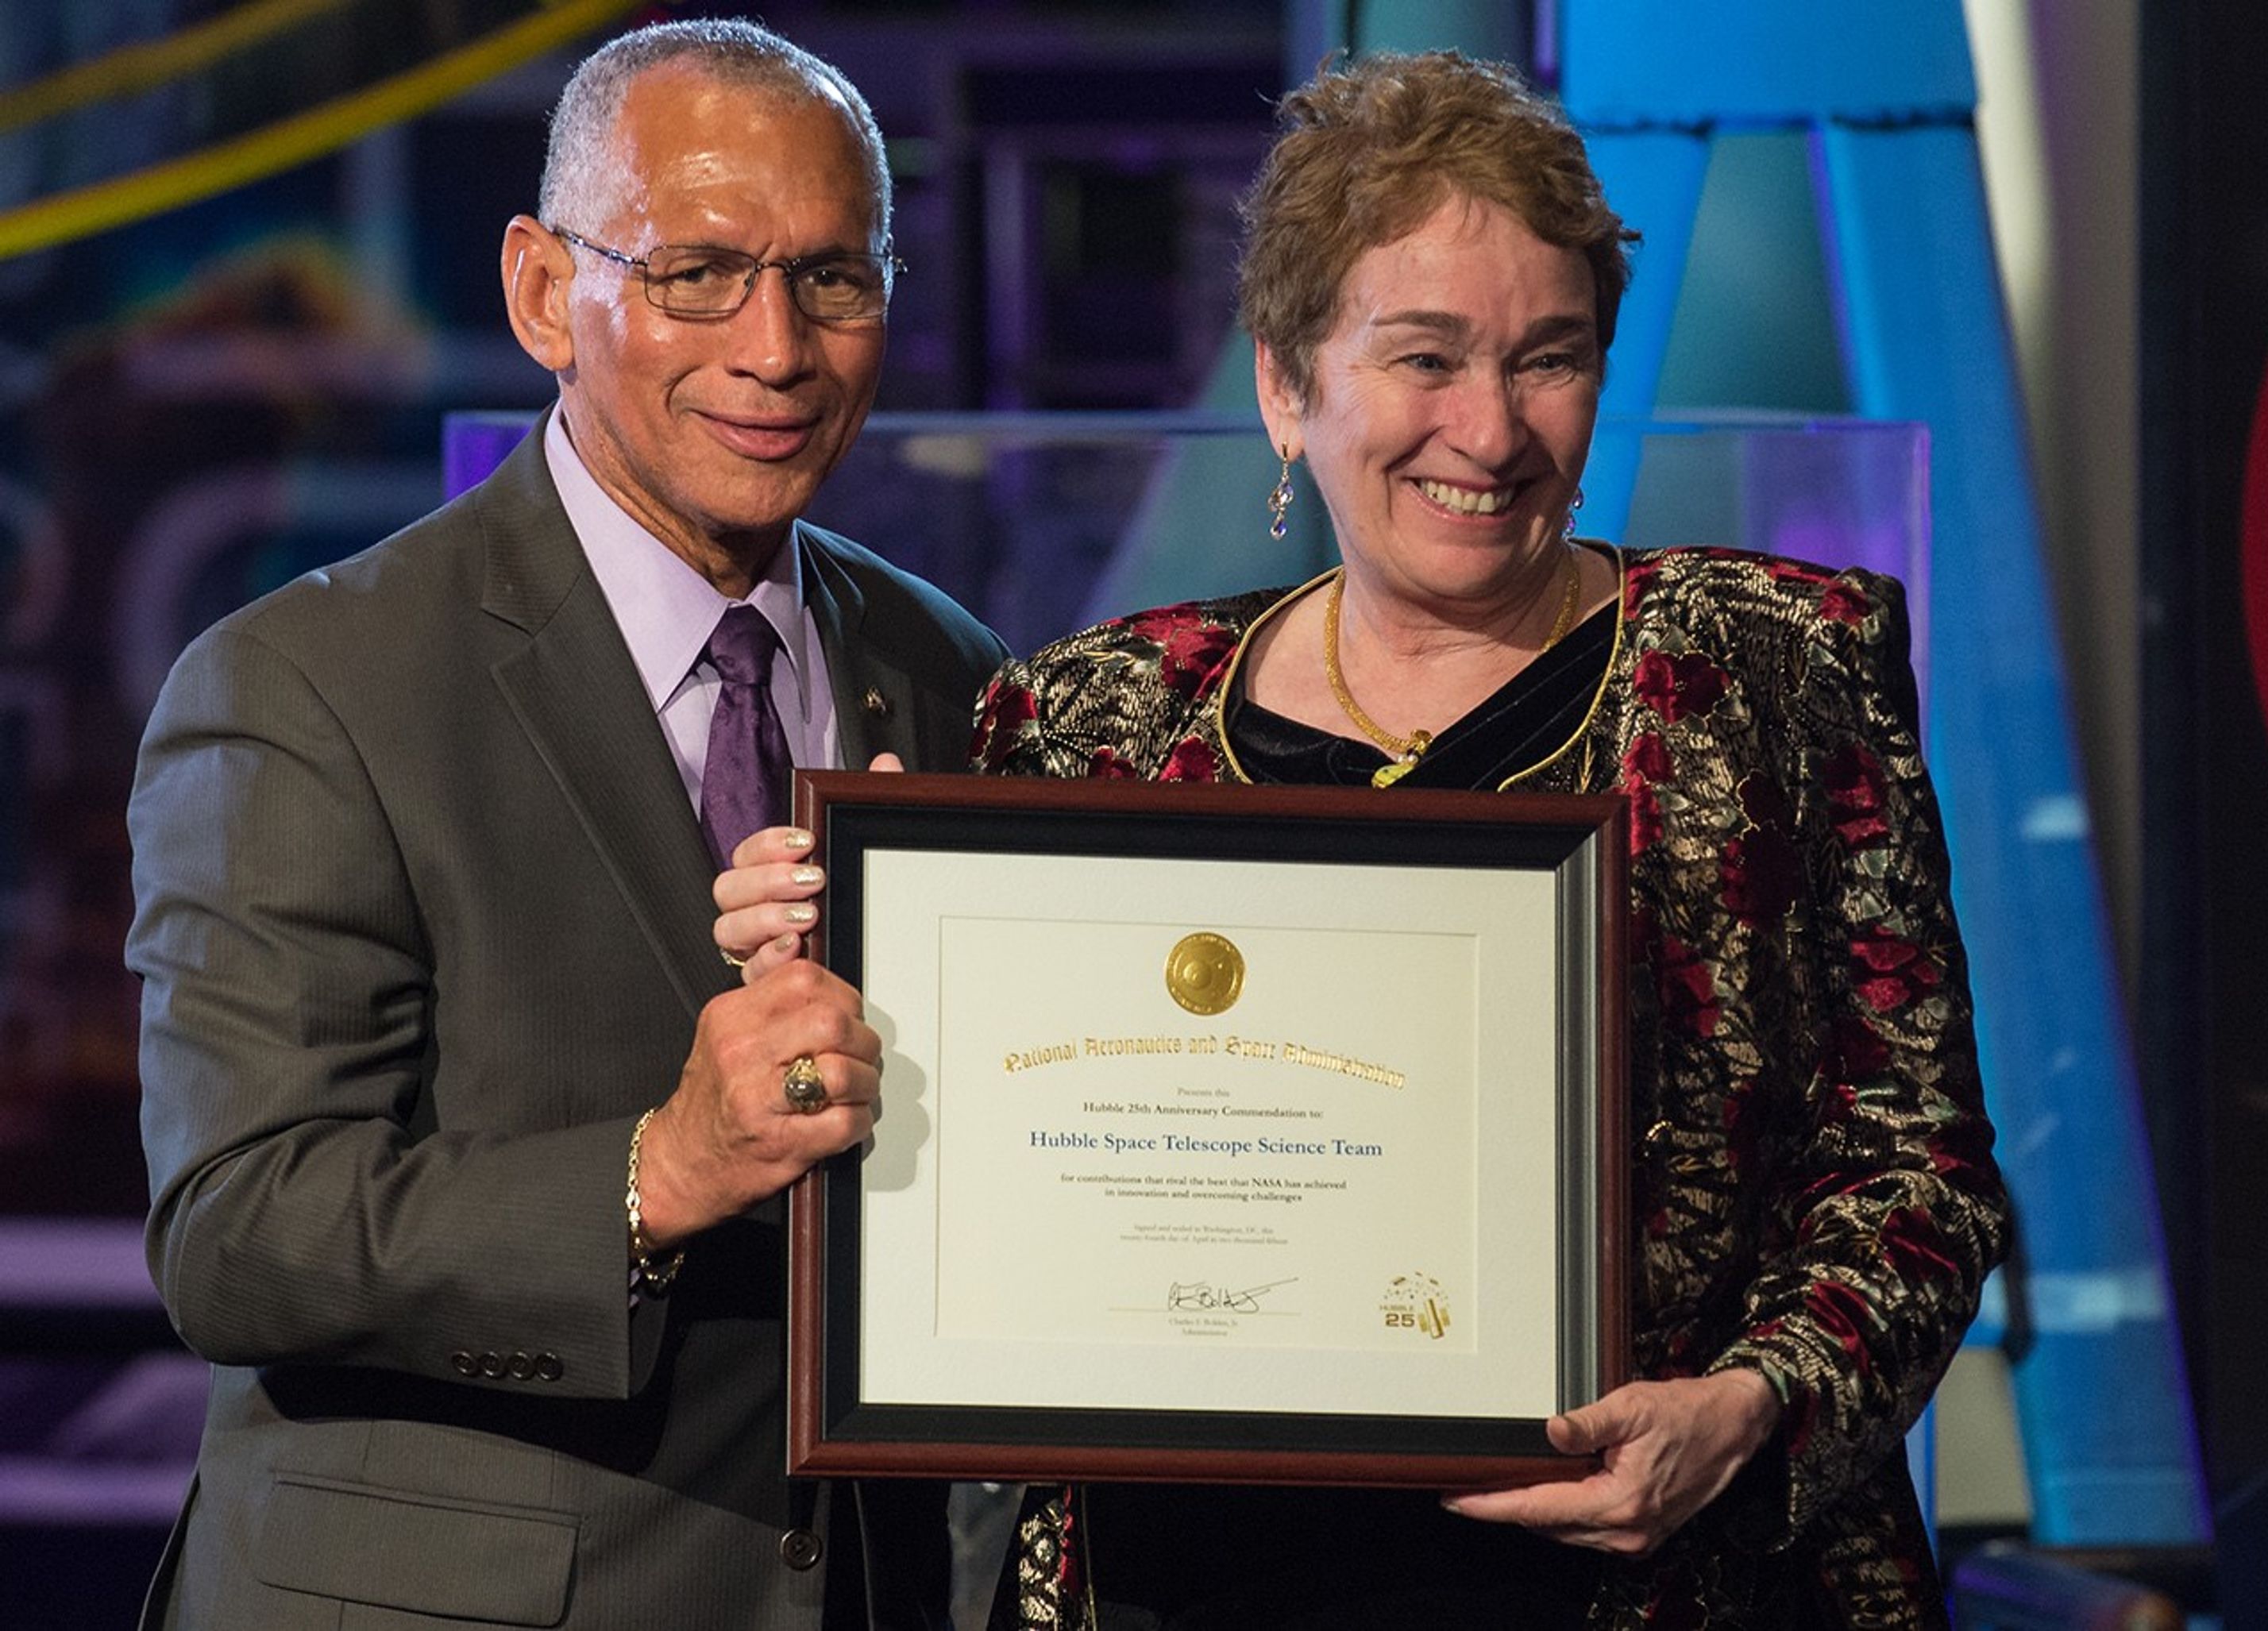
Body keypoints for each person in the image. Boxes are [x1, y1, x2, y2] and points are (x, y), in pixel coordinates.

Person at [960, 51, 2009, 1629]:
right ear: (1282, 382)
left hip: (1664, 1579)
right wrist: (851, 999)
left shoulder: (1779, 664)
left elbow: (1916, 1169)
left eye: (1549, 357)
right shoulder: (1087, 715)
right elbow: (994, 1175)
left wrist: (1745, 1405)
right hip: (1190, 1586)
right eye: (1423, 357)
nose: (1490, 428)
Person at [127, 19, 1004, 1629]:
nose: (777, 348)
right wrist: (657, 1171)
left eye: (834, 278)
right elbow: (239, 1232)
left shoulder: (949, 672)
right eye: (697, 274)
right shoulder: (303, 683)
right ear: (544, 293)